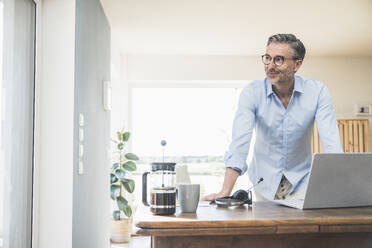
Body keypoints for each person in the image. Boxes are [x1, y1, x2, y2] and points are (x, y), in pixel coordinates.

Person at [202, 33, 343, 202]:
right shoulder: (252, 93)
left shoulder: (317, 92)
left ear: (297, 64)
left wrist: (339, 190)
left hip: (301, 183)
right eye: (267, 58)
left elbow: (331, 143)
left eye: (279, 60)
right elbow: (240, 144)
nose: (270, 66)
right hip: (263, 183)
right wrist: (225, 191)